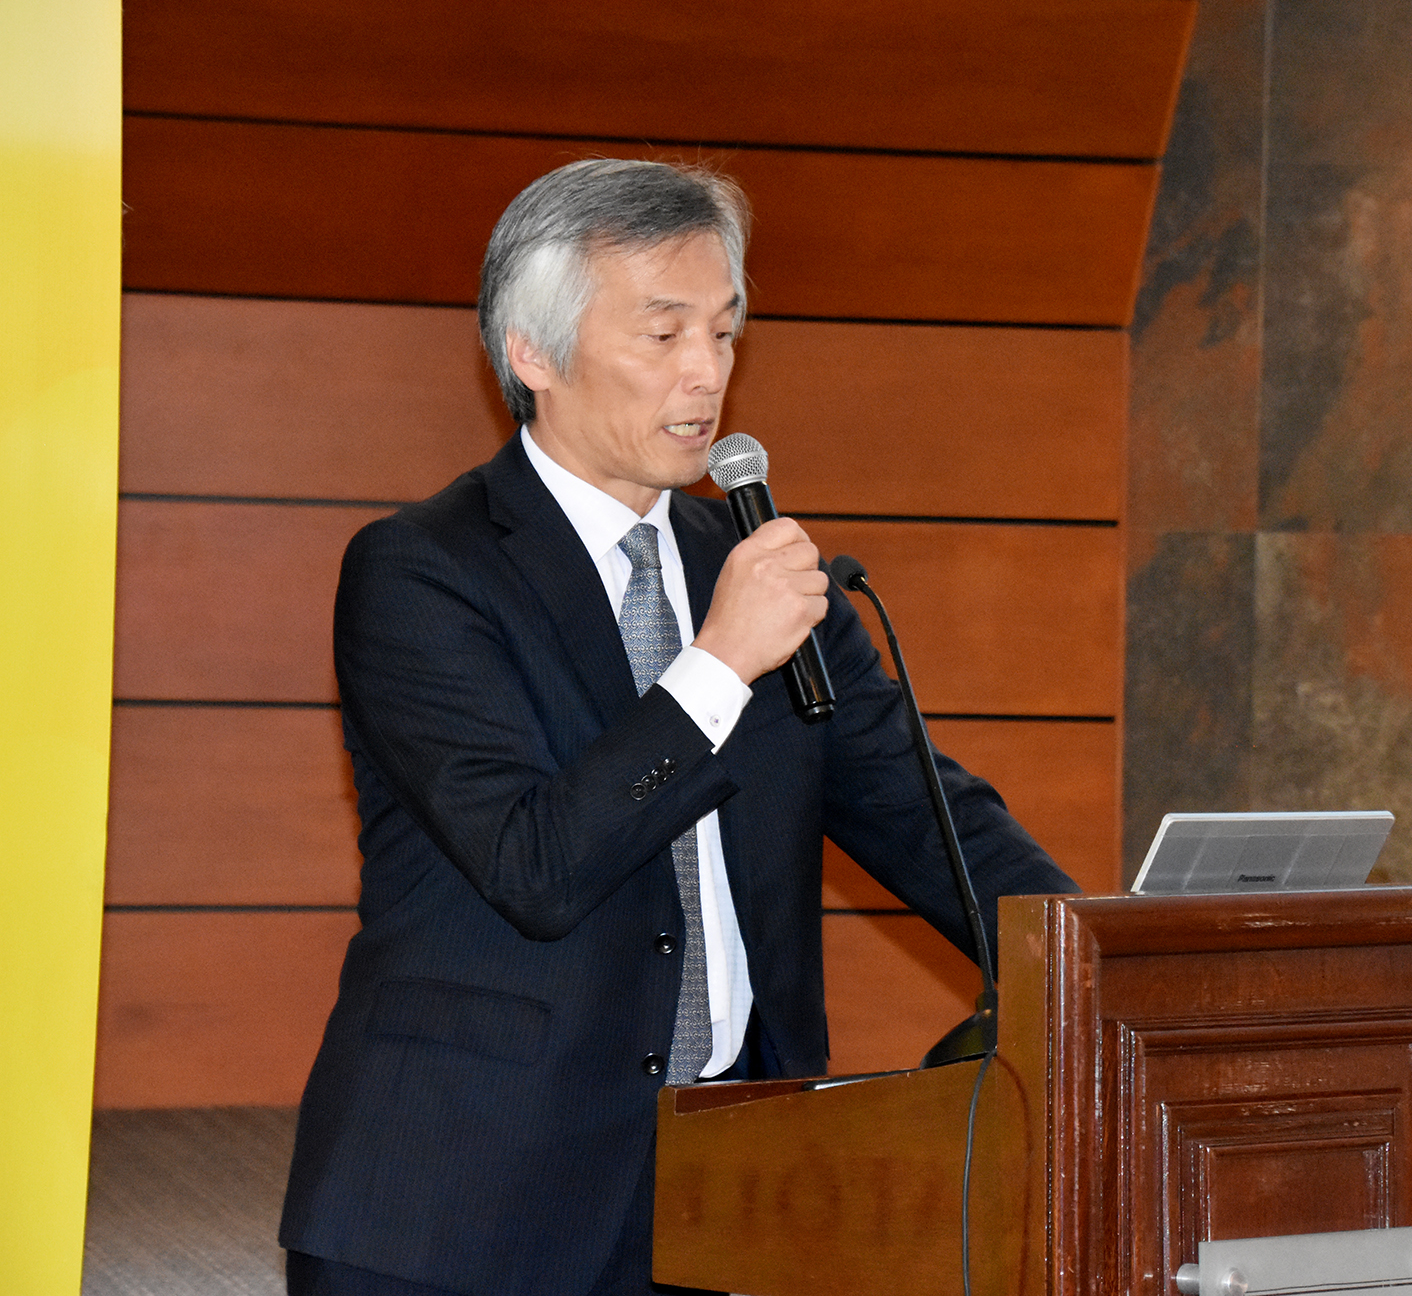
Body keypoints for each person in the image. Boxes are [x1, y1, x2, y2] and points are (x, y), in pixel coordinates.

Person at [278, 159, 1078, 1296]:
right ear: (533, 353)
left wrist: (1111, 966)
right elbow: (535, 862)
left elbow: (936, 824)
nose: (707, 372)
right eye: (663, 334)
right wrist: (717, 663)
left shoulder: (758, 574)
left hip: (723, 1192)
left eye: (725, 330)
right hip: (460, 1204)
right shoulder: (422, 573)